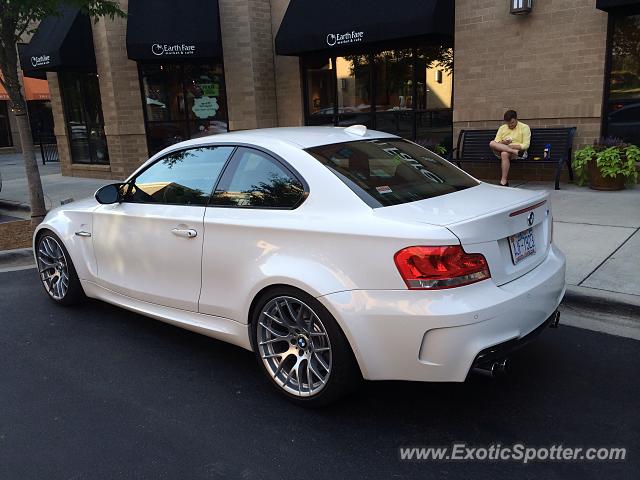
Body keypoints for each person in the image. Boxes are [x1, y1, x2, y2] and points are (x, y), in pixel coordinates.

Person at [489, 110, 531, 186]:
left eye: (512, 123)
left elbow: (526, 145)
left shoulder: (524, 127)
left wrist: (511, 146)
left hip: (519, 152)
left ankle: (503, 181)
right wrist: (503, 143)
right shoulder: (502, 128)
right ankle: (513, 151)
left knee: (504, 154)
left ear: (516, 119)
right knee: (492, 143)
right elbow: (496, 142)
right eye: (508, 123)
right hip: (505, 151)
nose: (510, 125)